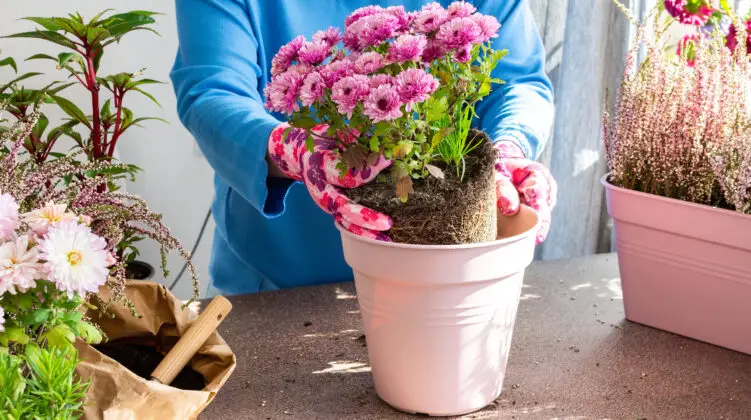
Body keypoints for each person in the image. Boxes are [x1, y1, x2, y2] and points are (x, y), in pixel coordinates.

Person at [170, 0, 557, 296]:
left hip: (443, 283)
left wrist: (510, 146)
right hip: (274, 282)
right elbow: (212, 91)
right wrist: (292, 149)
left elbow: (518, 82)